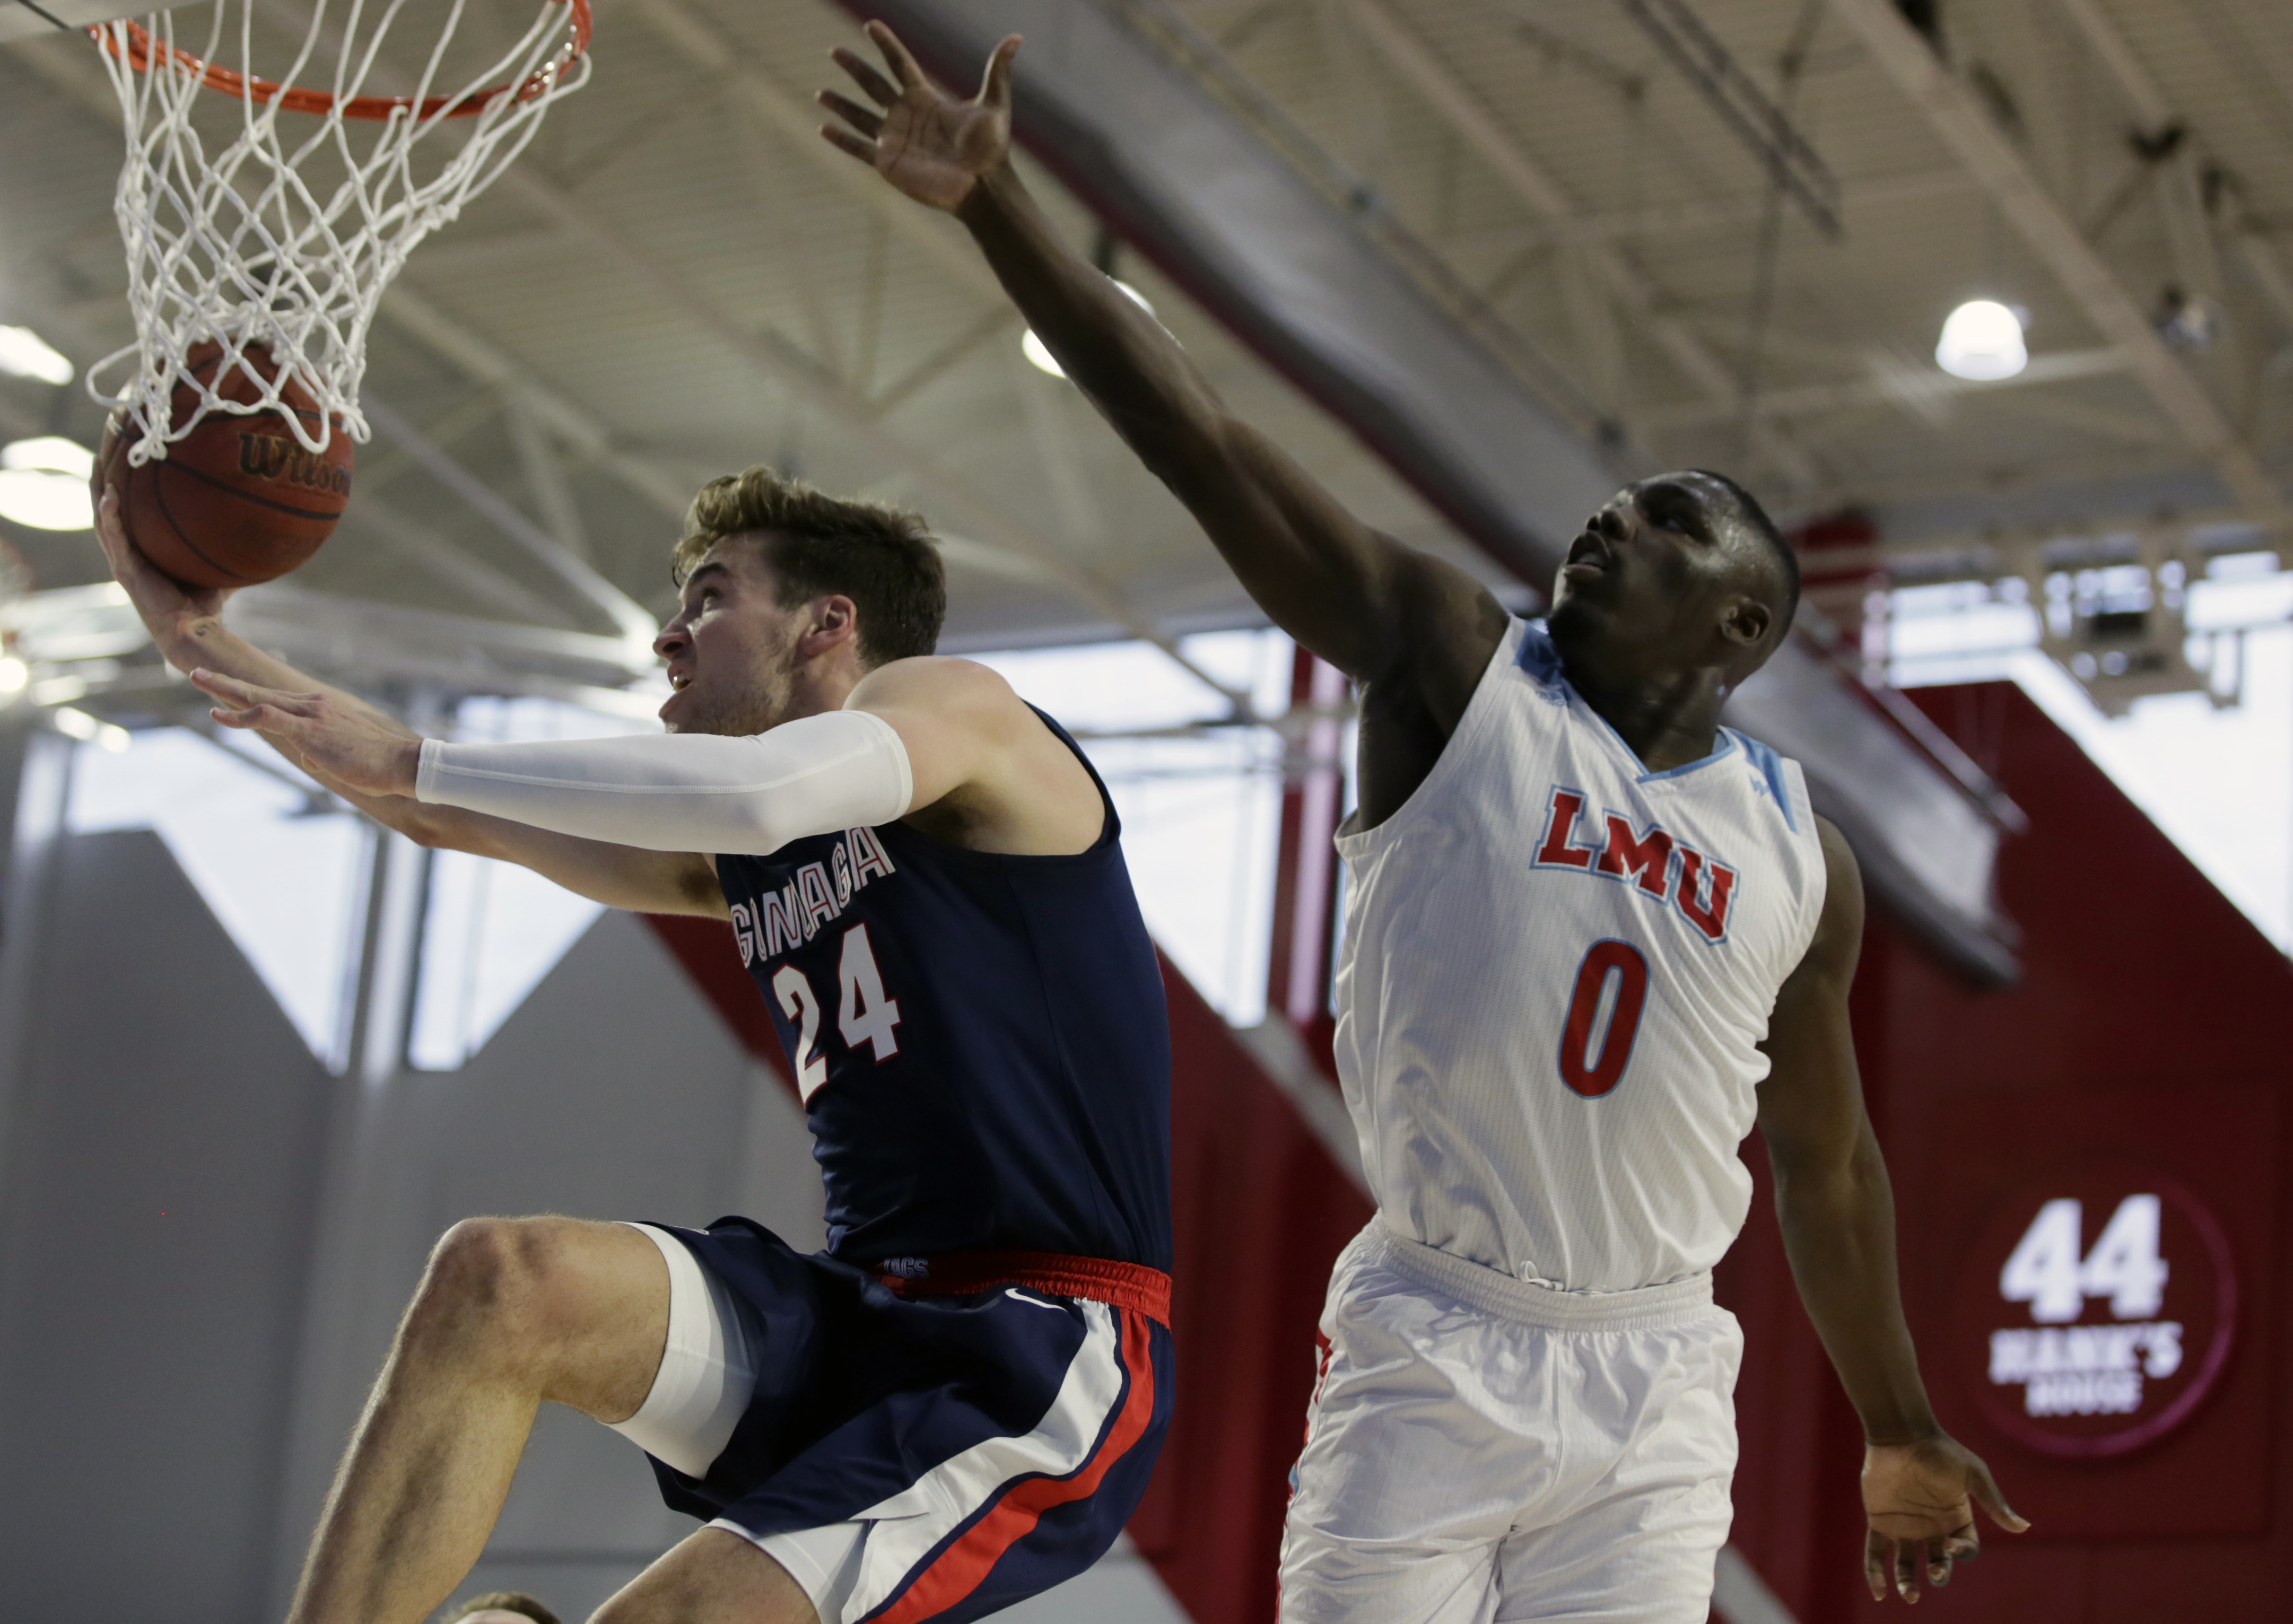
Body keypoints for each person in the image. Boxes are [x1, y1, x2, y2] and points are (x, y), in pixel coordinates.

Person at [818, 23, 2025, 1621]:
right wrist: (998, 207)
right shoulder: (1454, 665)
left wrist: (1896, 1420)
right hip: (1434, 1338)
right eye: (1613, 504)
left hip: (1655, 1370)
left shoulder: (1804, 853)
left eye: (1666, 525)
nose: (1611, 522)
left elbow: (1830, 1160)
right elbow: (1208, 448)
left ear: (1737, 627)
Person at [93, 456, 1175, 1624]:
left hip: (1035, 1349)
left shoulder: (959, 710)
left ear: (828, 622)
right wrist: (190, 633)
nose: (669, 635)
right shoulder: (752, 852)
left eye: (710, 597)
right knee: (504, 1279)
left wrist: (414, 754)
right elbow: (426, 808)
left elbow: (755, 791)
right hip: (853, 1313)